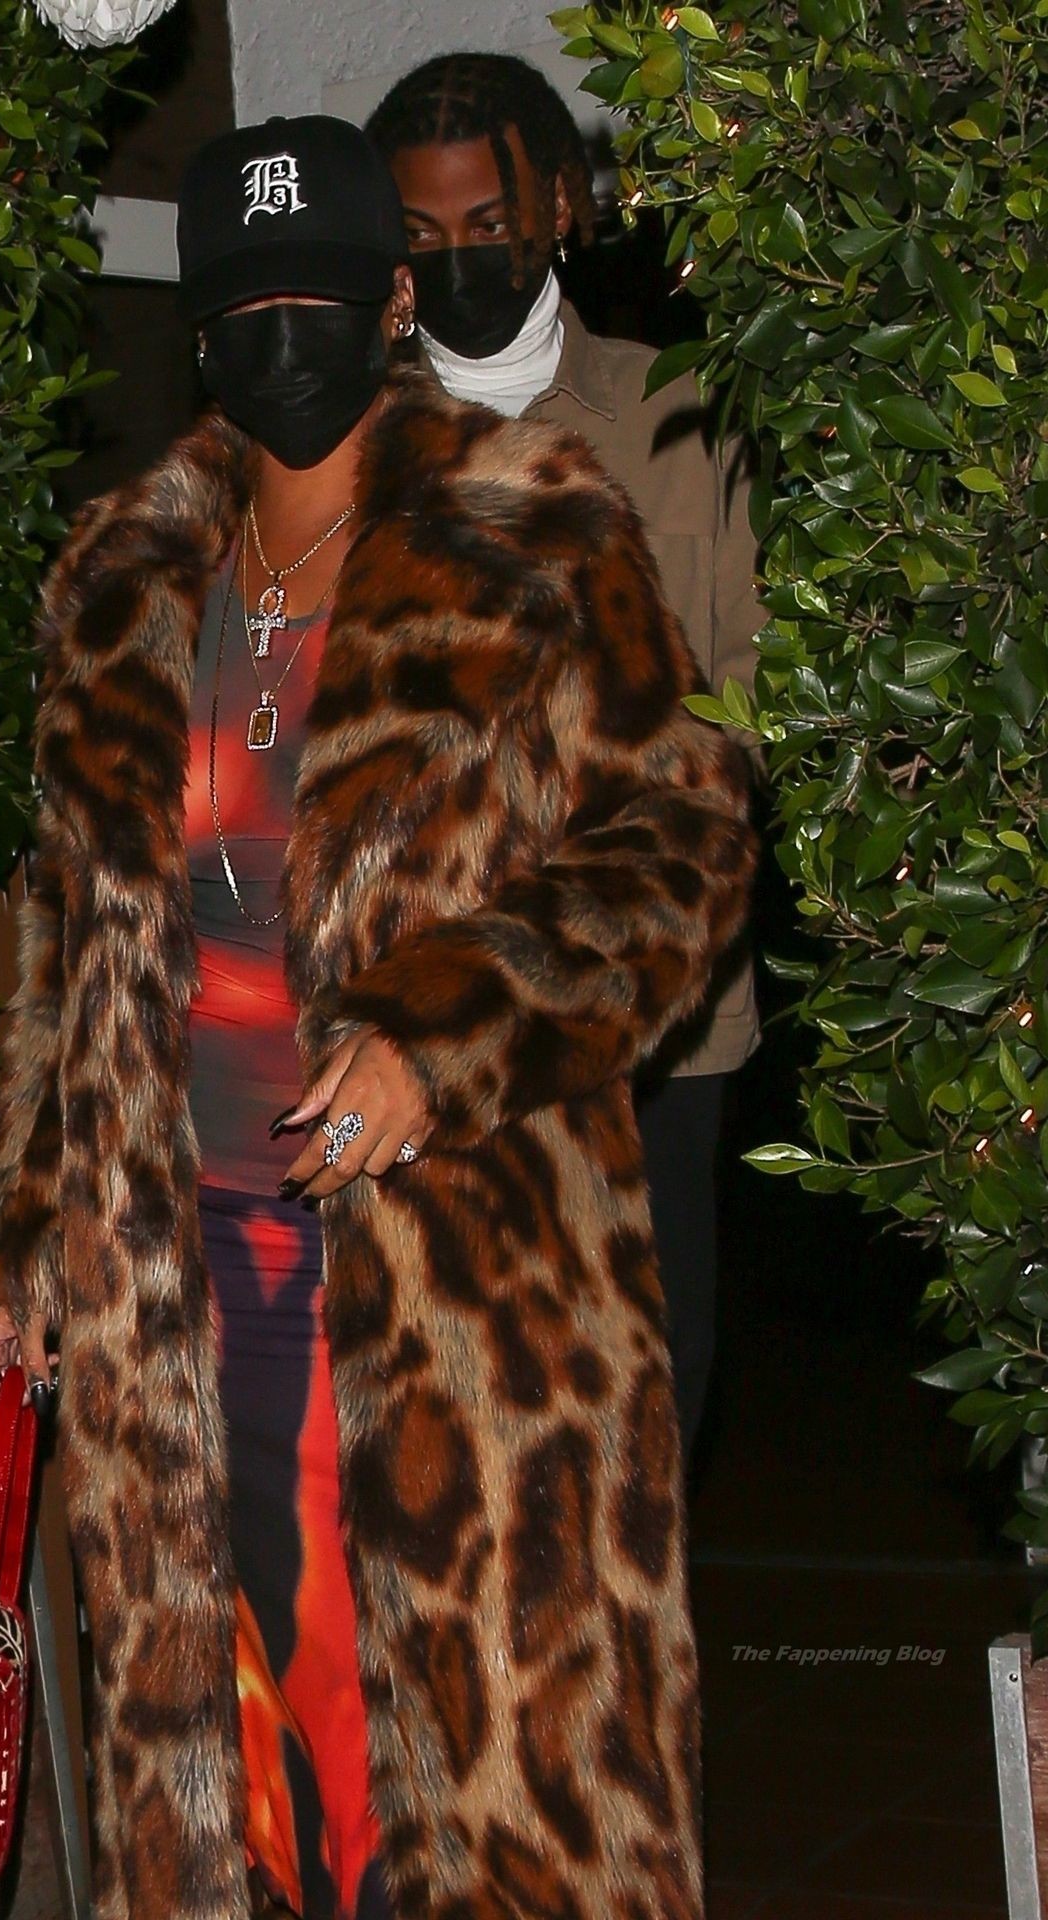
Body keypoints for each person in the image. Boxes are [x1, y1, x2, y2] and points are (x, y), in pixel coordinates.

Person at [0, 112, 755, 1920]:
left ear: (393, 299)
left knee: (464, 1775)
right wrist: (28, 1227)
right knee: (235, 1755)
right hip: (178, 1276)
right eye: (245, 305)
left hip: (456, 1268)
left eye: (320, 293)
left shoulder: (531, 533)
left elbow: (682, 842)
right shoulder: (121, 586)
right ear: (201, 331)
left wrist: (445, 1027)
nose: (283, 336)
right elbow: (79, 955)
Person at [367, 53, 762, 1459]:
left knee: (651, 1394)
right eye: (421, 234)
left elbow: (751, 702)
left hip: (656, 1011)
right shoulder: (347, 439)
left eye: (489, 224)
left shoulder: (681, 414)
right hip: (431, 1010)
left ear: (561, 211)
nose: (461, 261)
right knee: (457, 1407)